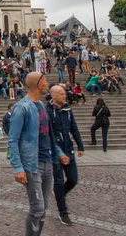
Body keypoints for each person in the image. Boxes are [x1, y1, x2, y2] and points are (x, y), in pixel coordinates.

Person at [8, 72, 69, 236]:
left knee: (44, 208)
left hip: (47, 162)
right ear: (38, 84)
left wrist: (59, 153)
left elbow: (48, 136)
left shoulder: (42, 107)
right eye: (45, 80)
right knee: (38, 207)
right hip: (31, 164)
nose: (47, 83)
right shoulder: (22, 108)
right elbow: (12, 140)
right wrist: (18, 167)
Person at [47, 85, 85, 226]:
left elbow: (74, 127)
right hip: (55, 150)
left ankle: (59, 194)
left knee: (73, 179)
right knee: (58, 180)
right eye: (62, 94)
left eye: (65, 94)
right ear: (54, 96)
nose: (65, 96)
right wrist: (58, 153)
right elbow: (49, 134)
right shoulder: (47, 111)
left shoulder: (68, 109)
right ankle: (63, 212)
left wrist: (80, 145)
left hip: (68, 148)